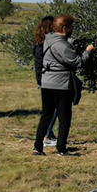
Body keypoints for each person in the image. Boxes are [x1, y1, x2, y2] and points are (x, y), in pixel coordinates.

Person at [33, 15, 94, 156]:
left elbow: (62, 43)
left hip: (46, 83)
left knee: (46, 115)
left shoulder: (48, 39)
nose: (72, 29)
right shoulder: (63, 45)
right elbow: (78, 63)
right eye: (71, 27)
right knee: (64, 117)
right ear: (64, 27)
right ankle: (61, 149)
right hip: (61, 84)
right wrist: (88, 51)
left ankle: (37, 147)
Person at [33, 16, 58, 147]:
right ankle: (46, 136)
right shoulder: (45, 44)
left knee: (50, 109)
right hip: (48, 79)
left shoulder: (39, 42)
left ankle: (49, 133)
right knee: (51, 110)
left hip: (43, 79)